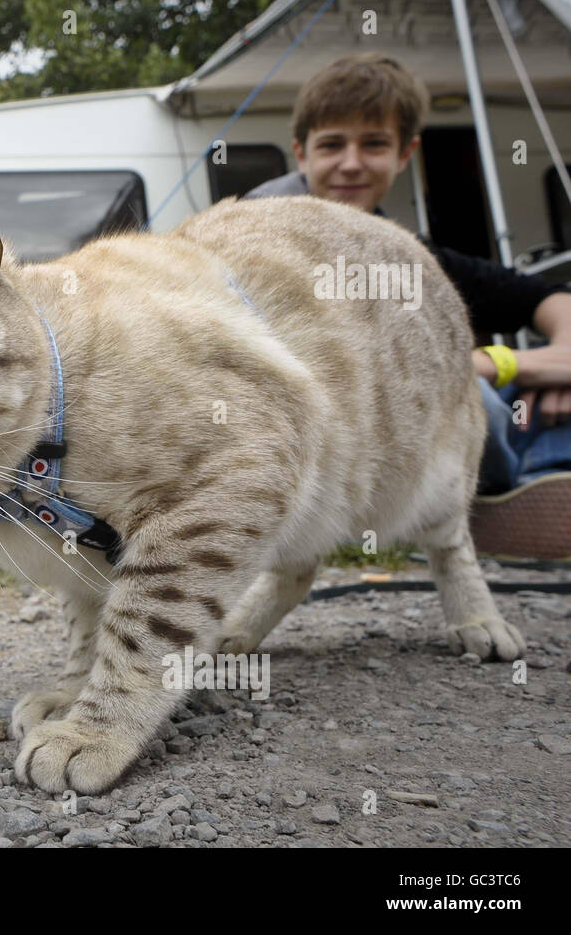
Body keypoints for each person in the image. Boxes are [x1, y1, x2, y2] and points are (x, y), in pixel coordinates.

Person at [245, 52, 571, 559]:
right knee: (471, 395)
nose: (351, 162)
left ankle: (528, 486)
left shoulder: (412, 256)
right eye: (332, 144)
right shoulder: (257, 238)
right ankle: (523, 484)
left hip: (400, 444)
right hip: (308, 452)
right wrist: (505, 368)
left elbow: (548, 302)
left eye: (373, 143)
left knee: (517, 392)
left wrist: (526, 366)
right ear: (301, 154)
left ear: (405, 154)